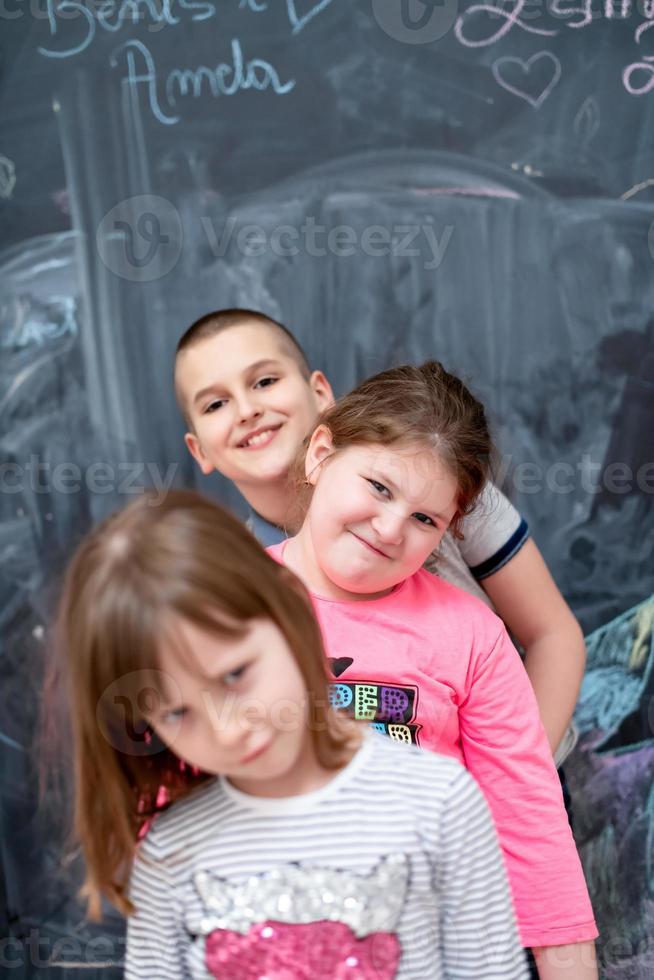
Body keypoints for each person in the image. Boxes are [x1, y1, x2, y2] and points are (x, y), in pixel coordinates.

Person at [54, 490, 528, 980]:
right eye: (177, 713)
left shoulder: (439, 803)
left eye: (236, 675)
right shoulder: (169, 857)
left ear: (289, 606)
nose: (229, 728)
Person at [267, 361, 598, 980]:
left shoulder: (471, 635)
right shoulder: (227, 605)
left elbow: (532, 826)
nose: (391, 529)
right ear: (320, 454)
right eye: (379, 487)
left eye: (426, 520)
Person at [174, 309, 585, 764]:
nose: (247, 409)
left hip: (517, 768)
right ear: (199, 451)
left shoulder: (435, 486)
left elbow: (554, 634)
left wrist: (506, 780)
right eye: (215, 404)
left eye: (265, 381)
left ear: (320, 393)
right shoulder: (238, 583)